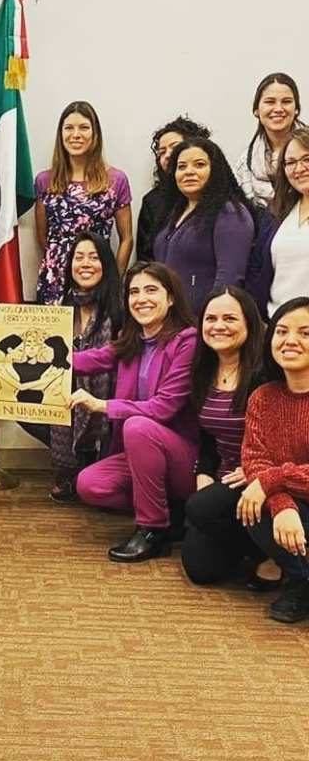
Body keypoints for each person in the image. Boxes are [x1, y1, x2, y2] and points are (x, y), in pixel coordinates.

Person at [69, 262, 198, 562]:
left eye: (151, 290)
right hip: (140, 455)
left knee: (138, 426)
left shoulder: (188, 341)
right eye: (134, 292)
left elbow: (164, 408)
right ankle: (171, 512)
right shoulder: (132, 341)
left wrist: (103, 405)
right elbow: (83, 360)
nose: (141, 299)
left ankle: (152, 530)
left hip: (183, 458)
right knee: (90, 485)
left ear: (171, 298)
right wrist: (16, 340)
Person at [0, 233, 123, 502]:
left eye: (94, 257)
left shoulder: (121, 308)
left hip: (110, 399)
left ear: (107, 264)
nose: (85, 264)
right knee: (24, 401)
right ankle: (75, 463)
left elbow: (112, 359)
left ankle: (89, 459)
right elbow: (33, 342)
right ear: (69, 266)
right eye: (79, 257)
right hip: (68, 399)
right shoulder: (61, 307)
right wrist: (0, 334)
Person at [180, 288, 270, 586]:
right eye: (210, 318)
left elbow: (283, 440)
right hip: (224, 479)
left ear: (249, 324)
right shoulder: (202, 371)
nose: (218, 326)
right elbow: (207, 438)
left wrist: (255, 471)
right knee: (199, 569)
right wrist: (204, 472)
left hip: (261, 478)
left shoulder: (265, 374)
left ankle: (273, 554)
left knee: (198, 509)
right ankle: (256, 548)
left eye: (230, 318)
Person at [239, 296, 309, 623]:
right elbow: (254, 459)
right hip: (294, 501)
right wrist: (281, 504)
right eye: (281, 331)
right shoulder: (263, 396)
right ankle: (301, 581)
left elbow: (265, 474)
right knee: (251, 508)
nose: (290, 340)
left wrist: (269, 482)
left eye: (305, 333)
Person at [34, 101, 133, 303]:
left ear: (95, 133)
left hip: (98, 276)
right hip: (55, 279)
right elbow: (43, 236)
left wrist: (114, 278)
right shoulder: (45, 181)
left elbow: (127, 239)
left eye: (84, 127)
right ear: (60, 135)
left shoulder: (115, 180)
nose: (76, 135)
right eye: (69, 128)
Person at [153, 136, 255, 316]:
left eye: (199, 165)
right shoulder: (173, 213)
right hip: (170, 323)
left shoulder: (229, 213)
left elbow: (229, 277)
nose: (188, 172)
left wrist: (211, 319)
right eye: (181, 167)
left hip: (205, 323)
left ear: (215, 171)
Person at [248, 129, 309, 317]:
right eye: (290, 163)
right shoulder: (275, 212)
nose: (299, 169)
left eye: (306, 159)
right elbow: (257, 271)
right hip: (277, 326)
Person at [135, 116, 211, 262]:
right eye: (161, 152)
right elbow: (145, 258)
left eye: (174, 147)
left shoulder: (218, 196)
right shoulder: (152, 202)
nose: (168, 155)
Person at [233, 72, 303, 205]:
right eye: (270, 102)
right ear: (256, 110)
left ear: (296, 109)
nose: (278, 109)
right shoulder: (245, 165)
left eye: (286, 102)